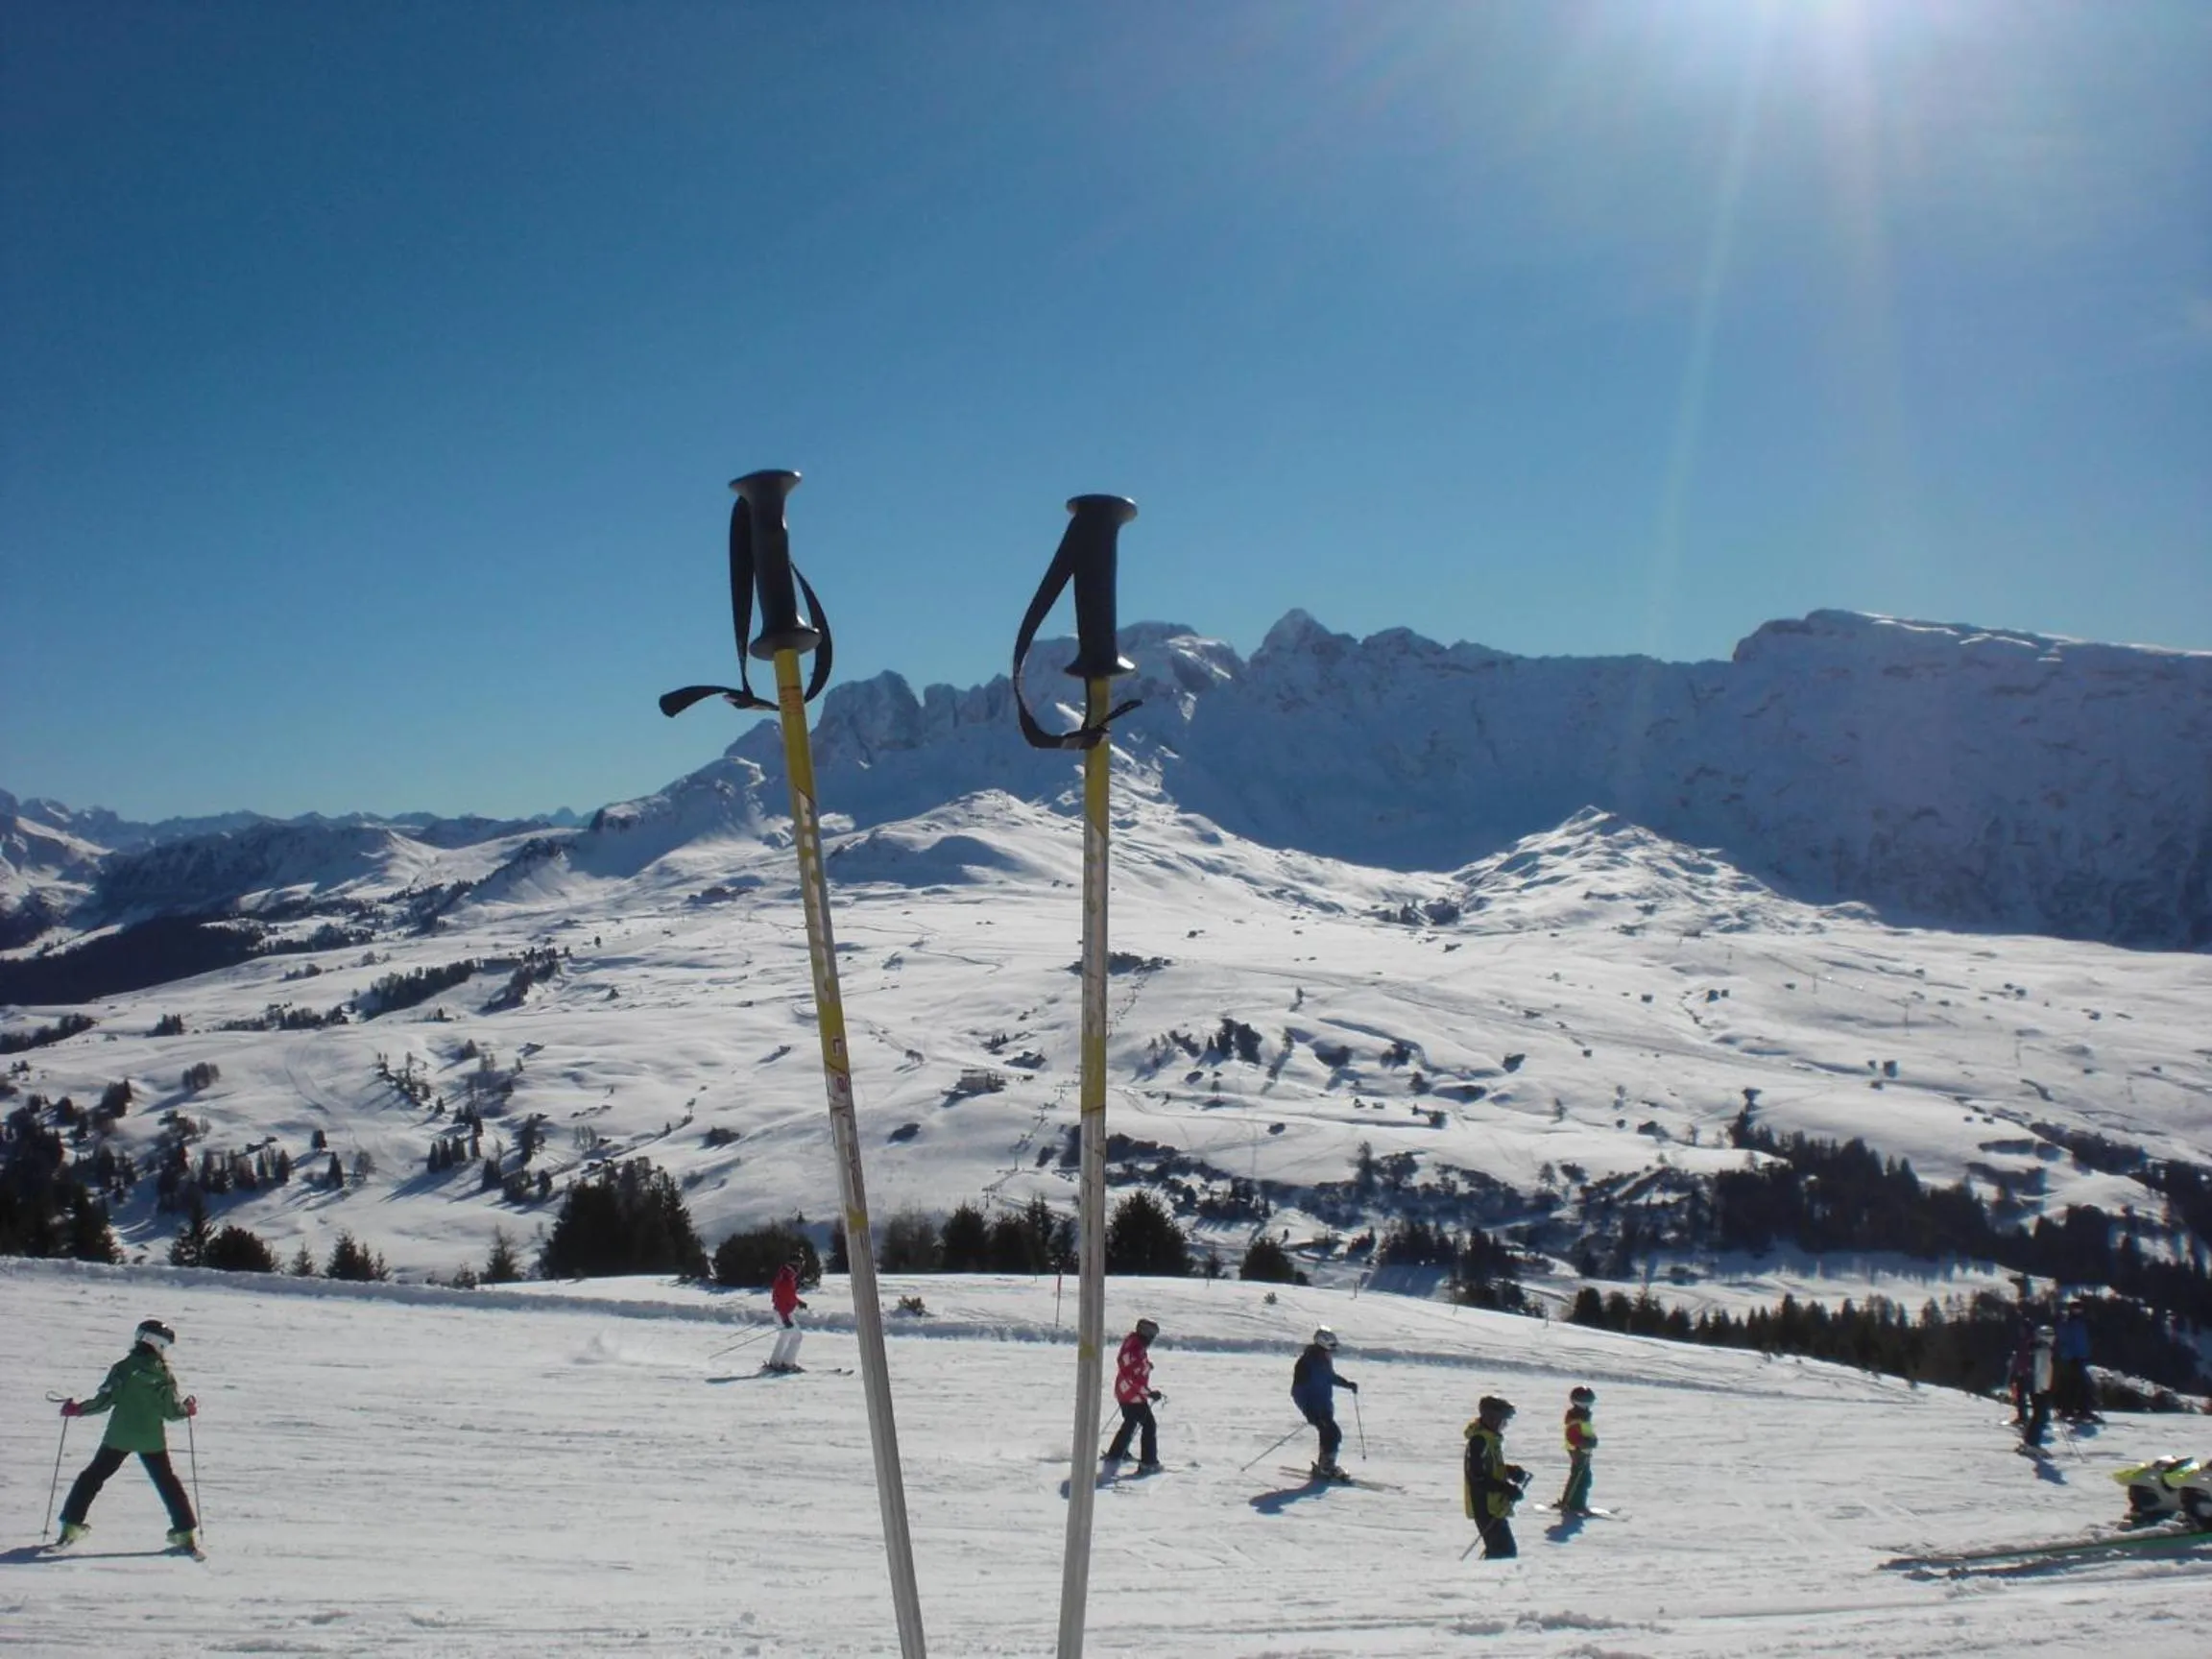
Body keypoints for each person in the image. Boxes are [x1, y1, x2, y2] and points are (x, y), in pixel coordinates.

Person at [56, 1318, 198, 1551]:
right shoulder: (163, 1375)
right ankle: (184, 1532)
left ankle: (71, 1525)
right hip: (151, 1439)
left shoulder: (123, 1368)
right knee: (167, 1482)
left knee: (91, 1478)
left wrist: (77, 1409)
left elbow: (104, 1401)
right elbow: (172, 1412)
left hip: (119, 1437)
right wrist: (188, 1409)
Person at [1464, 1395, 1527, 1559]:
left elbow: (1491, 1468)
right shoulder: (1479, 1441)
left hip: (1494, 1505)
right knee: (1504, 1552)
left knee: (1503, 1550)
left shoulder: (1491, 1440)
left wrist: (1510, 1472)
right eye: (1503, 1421)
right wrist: (1505, 1488)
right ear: (1492, 1419)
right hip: (1484, 1505)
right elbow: (1477, 1476)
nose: (1504, 1426)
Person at [1290, 1326, 1358, 1479]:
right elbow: (1297, 1389)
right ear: (1323, 1344)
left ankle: (1325, 1465)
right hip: (1313, 1406)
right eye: (1332, 1346)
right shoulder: (1307, 1363)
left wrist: (1347, 1384)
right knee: (1332, 1432)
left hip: (1324, 1405)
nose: (1334, 1350)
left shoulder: (1323, 1359)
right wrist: (1309, 1410)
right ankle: (1326, 1467)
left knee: (1328, 1433)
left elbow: (1330, 1377)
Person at [1102, 1317, 1163, 1471]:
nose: (1152, 1341)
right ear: (1145, 1334)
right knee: (1149, 1425)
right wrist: (1149, 1393)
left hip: (1125, 1392)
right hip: (1131, 1395)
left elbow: (1134, 1368)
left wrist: (1147, 1366)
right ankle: (1148, 1462)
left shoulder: (1135, 1344)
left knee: (1130, 1422)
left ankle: (1117, 1453)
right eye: (1151, 1337)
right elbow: (1132, 1378)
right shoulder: (1135, 1350)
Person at [2055, 1302, 2097, 1422]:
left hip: (2082, 1356)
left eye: (2079, 1308)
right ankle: (2068, 1410)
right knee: (2071, 1384)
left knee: (2083, 1384)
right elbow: (2062, 1336)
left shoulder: (2083, 1321)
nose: (2078, 1311)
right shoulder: (2067, 1322)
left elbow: (2086, 1338)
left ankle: (2083, 1409)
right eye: (2075, 1308)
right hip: (2070, 1357)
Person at [1559, 1385, 1598, 1514]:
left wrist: (1592, 1439)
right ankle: (1574, 1504)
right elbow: (1572, 1436)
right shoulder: (1577, 1417)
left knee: (1580, 1476)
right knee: (1581, 1478)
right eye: (1585, 1401)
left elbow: (1585, 1431)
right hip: (1578, 1451)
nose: (1588, 1405)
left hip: (1582, 1451)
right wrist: (1586, 1443)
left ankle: (1570, 1502)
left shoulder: (1582, 1415)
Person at [767, 1257, 809, 1373]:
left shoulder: (785, 1276)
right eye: (800, 1265)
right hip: (784, 1313)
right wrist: (785, 1319)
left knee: (785, 1336)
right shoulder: (786, 1280)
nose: (800, 1269)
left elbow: (786, 1296)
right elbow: (782, 1301)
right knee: (797, 1337)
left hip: (780, 1312)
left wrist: (798, 1302)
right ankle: (788, 1363)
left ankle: (775, 1362)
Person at [2023, 1326, 2056, 1447]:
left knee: (2038, 1415)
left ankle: (2029, 1441)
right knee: (2041, 1415)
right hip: (2040, 1387)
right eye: (2049, 1335)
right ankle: (2032, 1442)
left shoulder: (2037, 1349)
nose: (2052, 1337)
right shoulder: (2043, 1351)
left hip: (2036, 1386)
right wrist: (2044, 1388)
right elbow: (2042, 1371)